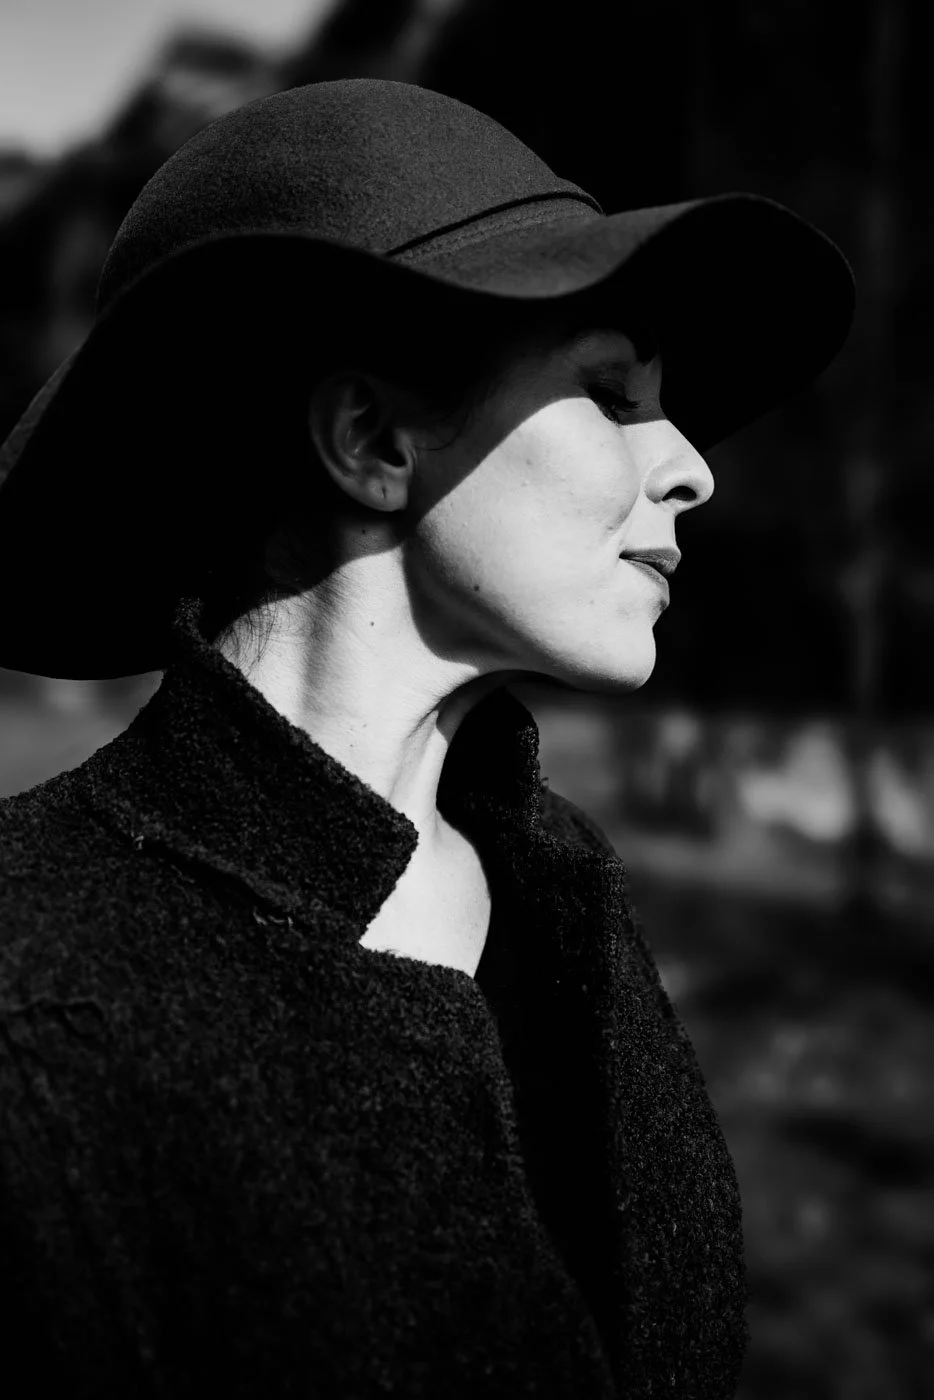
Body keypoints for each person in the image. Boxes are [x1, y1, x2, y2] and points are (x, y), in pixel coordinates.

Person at [0, 79, 854, 1399]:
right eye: (613, 394)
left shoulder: (556, 890)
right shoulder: (34, 992)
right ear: (372, 440)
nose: (691, 466)